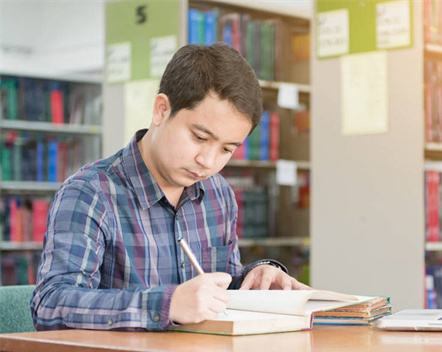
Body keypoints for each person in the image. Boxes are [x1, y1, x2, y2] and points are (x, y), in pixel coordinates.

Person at [31, 43, 309, 331]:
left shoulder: (219, 194)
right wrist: (167, 304)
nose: (208, 161)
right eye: (200, 137)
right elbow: (51, 304)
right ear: (161, 110)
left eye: (227, 149)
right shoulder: (90, 194)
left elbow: (216, 289)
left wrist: (255, 277)